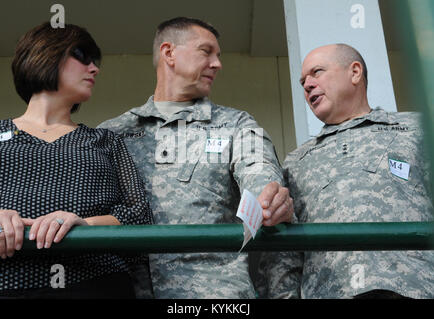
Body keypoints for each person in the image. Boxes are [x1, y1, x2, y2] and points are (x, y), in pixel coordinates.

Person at [98, 17, 294, 299]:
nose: (217, 64)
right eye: (206, 51)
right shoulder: (112, 133)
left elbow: (259, 174)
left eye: (218, 56)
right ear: (169, 53)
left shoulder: (236, 125)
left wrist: (270, 198)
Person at [0, 22, 153, 298]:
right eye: (82, 57)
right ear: (45, 54)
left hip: (94, 284)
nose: (94, 69)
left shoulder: (106, 141)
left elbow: (139, 217)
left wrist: (84, 224)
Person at [257, 43, 434, 299]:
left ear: (354, 72)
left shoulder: (418, 128)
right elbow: (285, 253)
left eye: (317, 72)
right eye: (303, 81)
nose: (307, 85)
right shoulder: (297, 161)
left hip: (415, 288)